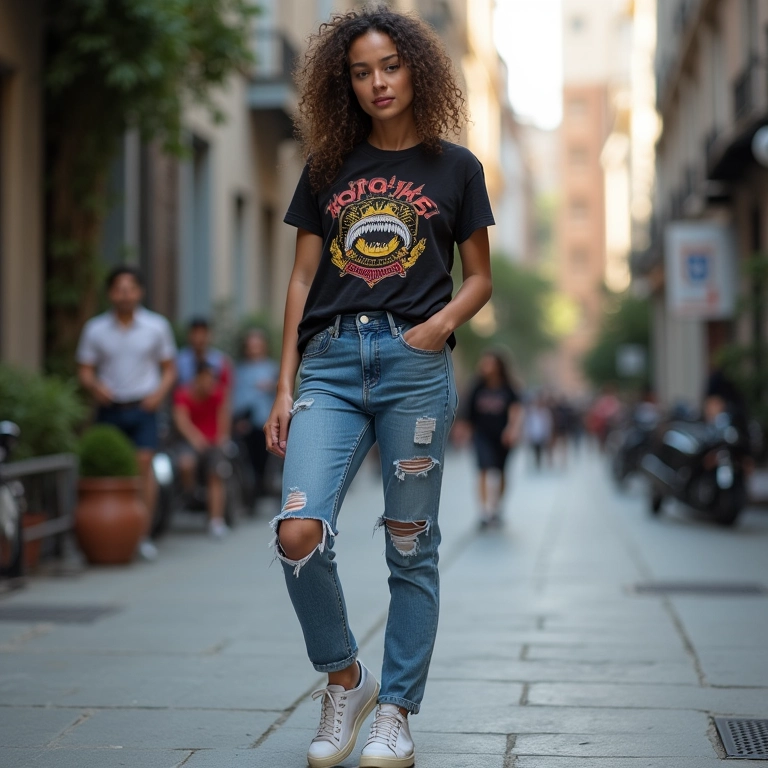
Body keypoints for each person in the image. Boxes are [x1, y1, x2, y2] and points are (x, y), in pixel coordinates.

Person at [263, 7, 494, 768]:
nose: (377, 82)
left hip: (413, 367)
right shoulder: (328, 166)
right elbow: (300, 279)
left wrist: (435, 327)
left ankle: (395, 709)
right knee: (299, 531)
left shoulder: (456, 168)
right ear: (346, 82)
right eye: (361, 72)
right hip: (328, 363)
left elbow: (480, 279)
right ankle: (346, 679)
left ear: (415, 69)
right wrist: (282, 384)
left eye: (389, 65)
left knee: (410, 545)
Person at [76, 265, 177, 561]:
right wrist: (96, 388)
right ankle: (115, 530)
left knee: (143, 465)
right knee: (111, 470)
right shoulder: (95, 329)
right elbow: (84, 371)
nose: (125, 294)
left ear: (140, 292)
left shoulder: (156, 326)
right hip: (110, 408)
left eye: (130, 288)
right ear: (110, 293)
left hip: (143, 407)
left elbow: (169, 369)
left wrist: (157, 396)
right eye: (119, 288)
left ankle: (142, 533)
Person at [463, 351, 522, 528]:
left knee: (501, 472)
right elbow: (468, 413)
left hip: (503, 437)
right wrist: (464, 431)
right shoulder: (477, 387)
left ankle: (497, 508)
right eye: (484, 363)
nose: (485, 366)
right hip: (482, 435)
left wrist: (512, 429)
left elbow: (516, 409)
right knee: (483, 469)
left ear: (498, 366)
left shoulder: (508, 387)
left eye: (489, 363)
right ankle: (484, 511)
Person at [172, 361, 230, 539]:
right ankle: (192, 495)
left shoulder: (218, 394)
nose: (210, 383)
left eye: (212, 379)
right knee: (185, 463)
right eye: (207, 378)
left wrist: (222, 440)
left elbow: (223, 419)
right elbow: (181, 420)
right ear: (197, 378)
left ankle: (216, 521)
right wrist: (196, 438)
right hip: (191, 443)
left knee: (216, 473)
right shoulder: (183, 394)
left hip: (213, 445)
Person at [232, 329, 279, 498]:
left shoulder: (271, 368)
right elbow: (235, 396)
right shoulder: (239, 370)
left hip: (265, 420)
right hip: (245, 421)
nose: (254, 349)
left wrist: (272, 386)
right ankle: (250, 490)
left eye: (257, 345)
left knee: (265, 456)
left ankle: (264, 484)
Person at [176, 317, 232, 391]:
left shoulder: (221, 361)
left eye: (203, 333)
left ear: (210, 335)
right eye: (195, 333)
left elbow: (225, 391)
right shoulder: (178, 360)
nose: (199, 338)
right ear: (189, 335)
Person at [525, 392, 553, 470]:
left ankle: (544, 464)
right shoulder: (531, 412)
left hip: (542, 434)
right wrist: (528, 434)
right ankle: (536, 464)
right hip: (534, 435)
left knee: (544, 451)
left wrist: (548, 435)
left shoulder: (546, 412)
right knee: (535, 450)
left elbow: (548, 424)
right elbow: (528, 424)